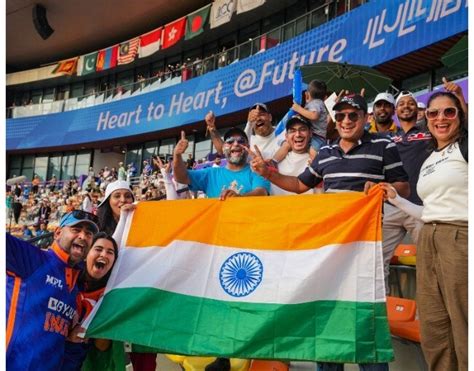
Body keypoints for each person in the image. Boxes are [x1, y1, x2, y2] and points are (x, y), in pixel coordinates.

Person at [250, 94, 409, 371]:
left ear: (365, 118)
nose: (346, 120)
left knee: (365, 321)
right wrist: (269, 173)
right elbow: (300, 185)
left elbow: (403, 186)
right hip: (331, 250)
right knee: (326, 319)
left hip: (365, 250)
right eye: (342, 115)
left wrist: (387, 191)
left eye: (353, 115)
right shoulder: (326, 152)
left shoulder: (384, 146)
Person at [379, 90, 467, 371]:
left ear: (460, 116)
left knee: (464, 322)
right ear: (426, 118)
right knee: (434, 325)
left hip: (461, 237)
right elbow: (428, 210)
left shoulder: (466, 146)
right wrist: (395, 198)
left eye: (449, 112)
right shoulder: (430, 159)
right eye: (433, 113)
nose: (441, 118)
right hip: (429, 236)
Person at [6, 210, 99, 370]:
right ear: (57, 233)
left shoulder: (78, 287)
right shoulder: (32, 258)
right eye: (76, 230)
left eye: (89, 234)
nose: (83, 236)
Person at [61, 233, 119, 371]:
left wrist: (96, 328)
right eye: (98, 249)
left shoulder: (112, 295)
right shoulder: (66, 277)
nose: (104, 254)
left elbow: (102, 346)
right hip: (45, 356)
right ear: (86, 254)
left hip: (74, 363)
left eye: (110, 252)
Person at [173, 129, 270, 200]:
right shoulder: (211, 174)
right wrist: (177, 155)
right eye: (230, 141)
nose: (236, 144)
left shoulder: (257, 171)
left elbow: (261, 192)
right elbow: (181, 177)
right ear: (223, 148)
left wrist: (239, 198)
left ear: (247, 147)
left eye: (241, 141)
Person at [270, 115, 315, 195]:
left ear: (310, 133)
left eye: (303, 129)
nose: (298, 134)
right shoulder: (275, 158)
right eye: (292, 131)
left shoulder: (318, 159)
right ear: (286, 137)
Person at [291, 79, 329, 152]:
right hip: (311, 135)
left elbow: (314, 116)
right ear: (325, 97)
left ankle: (315, 163)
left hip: (318, 137)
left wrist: (298, 109)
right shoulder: (314, 104)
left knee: (312, 151)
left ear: (307, 94)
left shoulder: (316, 103)